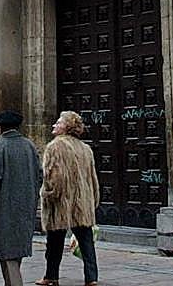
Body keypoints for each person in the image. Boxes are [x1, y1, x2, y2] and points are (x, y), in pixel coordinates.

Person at [35, 110, 100, 286]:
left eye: (59, 122)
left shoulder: (54, 147)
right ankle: (91, 277)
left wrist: (47, 194)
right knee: (86, 242)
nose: (54, 125)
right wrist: (93, 199)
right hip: (81, 201)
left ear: (67, 127)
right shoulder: (85, 148)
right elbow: (92, 177)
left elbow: (52, 177)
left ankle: (51, 276)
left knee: (54, 241)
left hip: (61, 202)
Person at [0, 109, 43, 286]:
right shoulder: (29, 146)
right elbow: (39, 175)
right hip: (25, 208)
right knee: (13, 254)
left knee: (9, 257)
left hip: (3, 210)